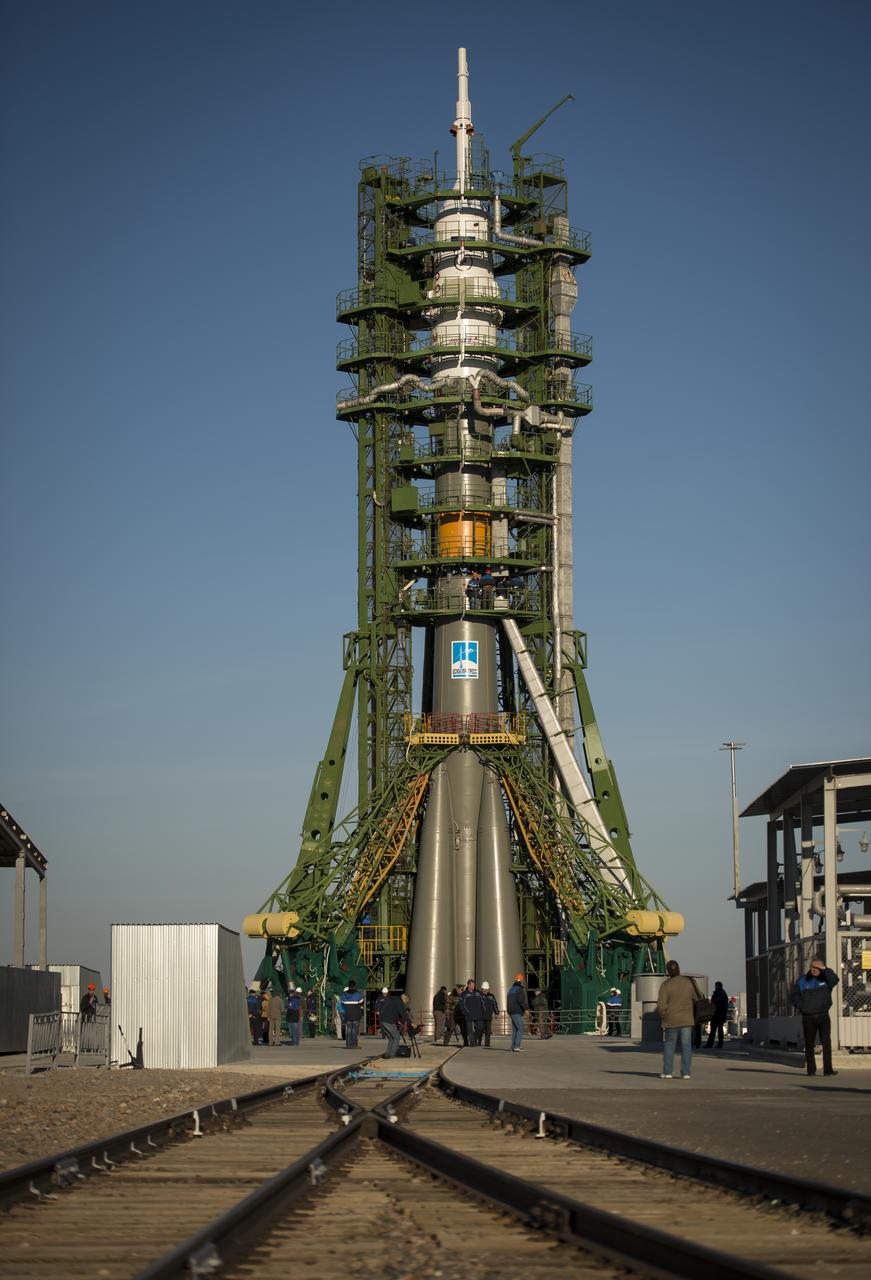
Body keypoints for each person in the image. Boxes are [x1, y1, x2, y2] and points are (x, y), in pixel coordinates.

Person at [791, 956, 839, 1077]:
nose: (814, 969)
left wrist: (824, 968)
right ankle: (811, 1070)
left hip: (823, 1016)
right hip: (808, 1017)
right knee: (809, 1044)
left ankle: (828, 1069)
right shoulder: (802, 980)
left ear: (821, 968)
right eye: (812, 967)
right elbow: (794, 995)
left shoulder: (826, 979)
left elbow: (835, 979)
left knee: (826, 1043)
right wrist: (802, 1006)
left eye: (817, 967)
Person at [656, 960, 695, 1079]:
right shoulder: (688, 982)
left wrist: (664, 1015)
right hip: (687, 1019)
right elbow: (695, 997)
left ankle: (668, 1072)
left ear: (668, 971)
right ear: (678, 969)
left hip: (671, 1020)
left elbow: (661, 1004)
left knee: (669, 1046)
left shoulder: (666, 985)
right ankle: (686, 1073)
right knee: (686, 1046)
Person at [378, 990, 411, 1058]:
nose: (405, 1003)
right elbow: (403, 1013)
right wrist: (411, 1022)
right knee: (396, 1037)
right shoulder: (399, 1002)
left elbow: (392, 1011)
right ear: (404, 998)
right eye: (406, 1001)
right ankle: (392, 1055)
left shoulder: (393, 999)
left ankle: (387, 1054)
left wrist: (397, 1020)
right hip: (388, 1021)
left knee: (391, 1038)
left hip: (382, 1020)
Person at [459, 980, 485, 1047]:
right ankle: (472, 1043)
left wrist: (483, 1010)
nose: (473, 986)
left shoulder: (478, 992)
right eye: (472, 985)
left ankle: (474, 1038)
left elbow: (483, 1002)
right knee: (469, 1030)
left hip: (478, 1014)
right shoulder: (464, 994)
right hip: (468, 1015)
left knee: (480, 1027)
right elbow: (462, 1005)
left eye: (474, 985)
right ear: (468, 985)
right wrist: (465, 1012)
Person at [507, 973, 528, 1052]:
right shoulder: (519, 990)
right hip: (516, 1011)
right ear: (521, 981)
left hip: (511, 1011)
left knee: (515, 1029)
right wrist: (526, 1009)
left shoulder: (511, 989)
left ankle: (513, 1046)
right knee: (520, 1028)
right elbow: (521, 1001)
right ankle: (517, 1046)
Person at [342, 980, 365, 1048]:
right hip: (356, 1014)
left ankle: (348, 1045)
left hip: (348, 1014)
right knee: (354, 1030)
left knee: (348, 1030)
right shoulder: (358, 994)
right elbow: (362, 1003)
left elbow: (343, 1003)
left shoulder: (344, 994)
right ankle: (354, 1044)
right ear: (354, 986)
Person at [706, 981, 729, 1049]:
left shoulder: (718, 994)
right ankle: (719, 1044)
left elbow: (714, 1003)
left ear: (718, 986)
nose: (715, 987)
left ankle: (710, 1044)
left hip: (717, 1015)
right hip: (721, 1015)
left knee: (714, 1030)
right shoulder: (723, 994)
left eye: (716, 986)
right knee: (719, 1030)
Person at [480, 981, 499, 1046]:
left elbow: (495, 1005)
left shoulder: (491, 996)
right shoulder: (479, 996)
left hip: (488, 1016)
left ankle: (487, 1043)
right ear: (482, 989)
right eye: (484, 989)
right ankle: (478, 1042)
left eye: (486, 989)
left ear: (488, 989)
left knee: (488, 1031)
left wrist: (496, 1013)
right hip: (480, 1016)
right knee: (480, 1029)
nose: (485, 990)